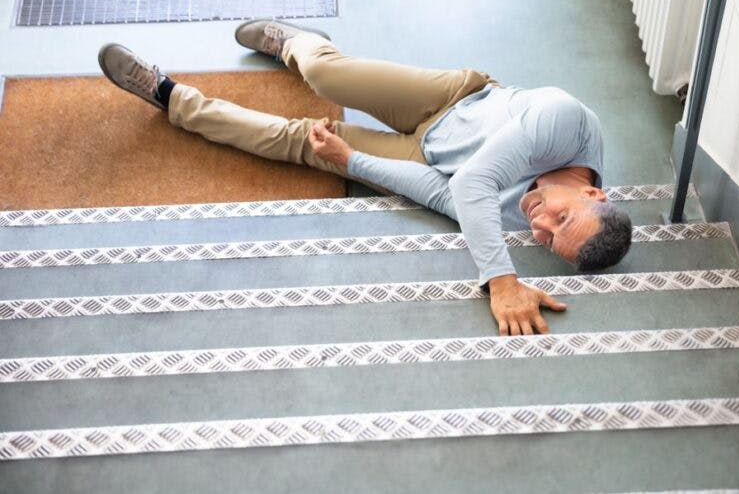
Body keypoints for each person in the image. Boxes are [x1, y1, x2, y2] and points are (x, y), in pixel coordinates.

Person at [98, 19, 632, 337]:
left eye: (548, 240)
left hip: (427, 159)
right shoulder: (566, 121)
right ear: (592, 191)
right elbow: (473, 188)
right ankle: (297, 42)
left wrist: (350, 159)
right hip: (456, 98)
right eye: (563, 218)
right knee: (326, 75)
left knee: (300, 142)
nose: (539, 224)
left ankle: (169, 97)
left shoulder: (522, 217)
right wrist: (502, 278)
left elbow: (445, 192)